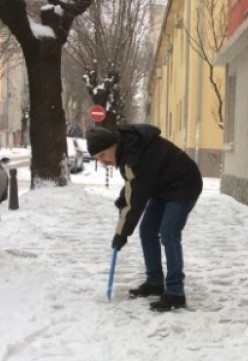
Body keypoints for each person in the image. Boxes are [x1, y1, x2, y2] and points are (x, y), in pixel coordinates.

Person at [86, 124, 203, 312]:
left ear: (113, 145)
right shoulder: (129, 152)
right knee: (147, 230)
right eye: (98, 159)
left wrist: (121, 234)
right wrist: (123, 201)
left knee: (168, 233)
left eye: (103, 155)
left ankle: (175, 293)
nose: (103, 161)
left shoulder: (134, 156)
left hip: (184, 183)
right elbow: (135, 186)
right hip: (162, 187)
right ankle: (155, 282)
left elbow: (137, 199)